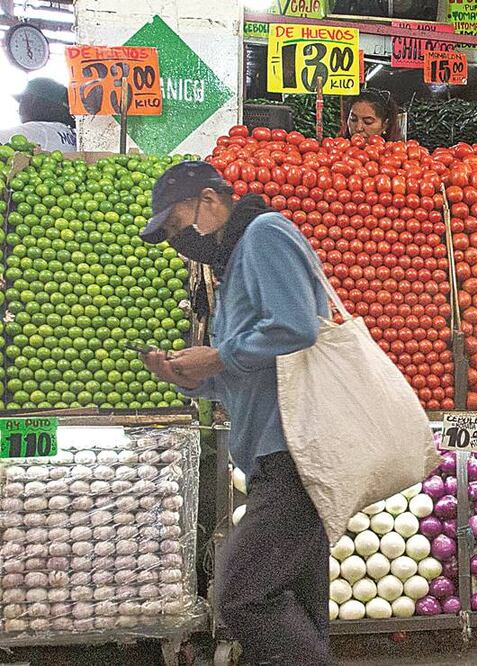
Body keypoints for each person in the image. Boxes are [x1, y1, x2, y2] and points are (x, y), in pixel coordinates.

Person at [137, 161, 334, 665]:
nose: (183, 242)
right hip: (272, 452)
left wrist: (218, 357)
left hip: (292, 450)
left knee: (242, 597)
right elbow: (249, 372)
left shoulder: (264, 234)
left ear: (208, 200)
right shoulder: (233, 265)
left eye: (181, 227)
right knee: (300, 601)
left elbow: (296, 326)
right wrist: (195, 377)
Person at [0, 78, 77, 152]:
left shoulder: (40, 130)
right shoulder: (69, 133)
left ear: (31, 102)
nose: (18, 110)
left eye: (22, 101)